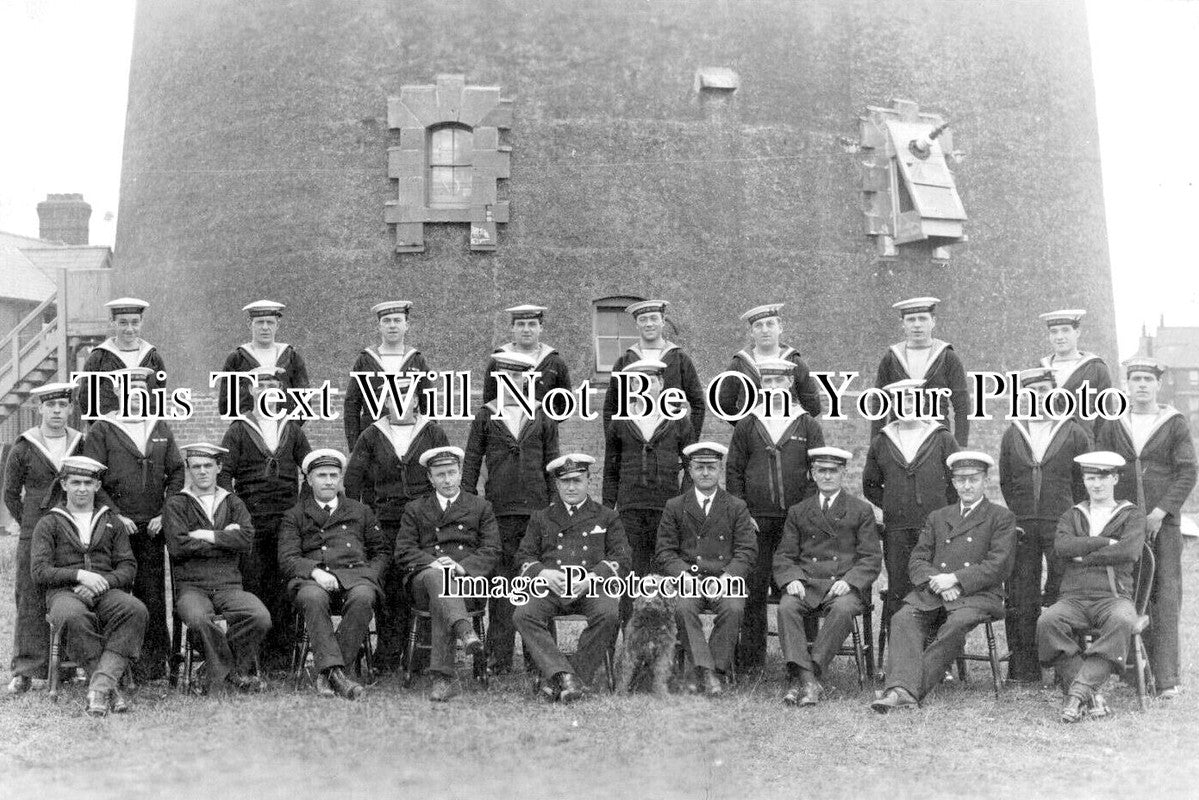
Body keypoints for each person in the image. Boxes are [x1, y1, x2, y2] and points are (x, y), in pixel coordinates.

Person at [870, 451, 1015, 712]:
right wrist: (937, 581)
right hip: (936, 591)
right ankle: (903, 689)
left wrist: (957, 581)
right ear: (954, 483)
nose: (967, 486)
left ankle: (905, 689)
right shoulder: (938, 516)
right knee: (902, 618)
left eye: (973, 479)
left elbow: (998, 565)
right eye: (961, 480)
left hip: (978, 594)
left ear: (985, 481)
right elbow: (917, 559)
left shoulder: (1000, 517)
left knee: (956, 624)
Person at [1096, 357, 1197, 698]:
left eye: (1147, 379)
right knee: (1128, 593)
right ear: (1127, 384)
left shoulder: (1174, 423)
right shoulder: (1113, 424)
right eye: (1135, 379)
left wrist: (1161, 511)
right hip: (1125, 524)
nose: (1141, 385)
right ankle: (1130, 673)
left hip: (1163, 525)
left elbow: (1187, 472)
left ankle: (1166, 679)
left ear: (1158, 384)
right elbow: (1101, 468)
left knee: (1164, 596)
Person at [82, 367, 185, 681]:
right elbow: (92, 476)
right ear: (118, 394)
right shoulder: (102, 429)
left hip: (152, 528)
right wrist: (115, 515)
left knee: (151, 593)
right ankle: (116, 665)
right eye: (130, 393)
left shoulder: (160, 427)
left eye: (141, 393)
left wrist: (164, 514)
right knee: (117, 593)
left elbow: (177, 473)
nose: (136, 399)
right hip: (116, 527)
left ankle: (151, 666)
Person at [462, 351, 560, 673]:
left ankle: (540, 660)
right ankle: (498, 658)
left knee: (536, 583)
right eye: (506, 377)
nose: (512, 382)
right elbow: (473, 461)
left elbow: (551, 466)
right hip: (499, 513)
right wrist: (469, 503)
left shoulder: (542, 416)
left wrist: (553, 510)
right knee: (502, 586)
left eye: (519, 377)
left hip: (536, 513)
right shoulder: (485, 416)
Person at [725, 356, 824, 671]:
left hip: (796, 525)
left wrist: (805, 513)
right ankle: (752, 660)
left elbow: (818, 471)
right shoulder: (748, 423)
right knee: (753, 589)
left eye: (778, 380)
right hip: (757, 523)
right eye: (766, 381)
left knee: (799, 588)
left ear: (790, 383)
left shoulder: (806, 423)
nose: (772, 387)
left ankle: (803, 659)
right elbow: (734, 471)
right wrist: (743, 512)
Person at [31, 456, 147, 716]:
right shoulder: (49, 522)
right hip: (65, 593)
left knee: (135, 609)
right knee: (74, 616)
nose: (82, 488)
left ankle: (99, 687)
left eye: (88, 483)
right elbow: (39, 572)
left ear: (97, 486)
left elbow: (128, 566)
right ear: (64, 484)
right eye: (75, 482)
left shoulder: (110, 521)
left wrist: (101, 582)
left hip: (105, 591)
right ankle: (107, 688)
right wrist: (79, 576)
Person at [344, 387, 449, 670]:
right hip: (386, 522)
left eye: (407, 396)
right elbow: (353, 481)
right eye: (393, 396)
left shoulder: (433, 432)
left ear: (416, 400)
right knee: (389, 588)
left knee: (424, 582)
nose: (401, 402)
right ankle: (388, 656)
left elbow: (444, 475)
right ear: (386, 401)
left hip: (424, 524)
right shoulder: (371, 434)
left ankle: (421, 658)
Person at [998, 367, 1091, 683]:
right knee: (1022, 593)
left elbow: (1082, 483)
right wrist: (1021, 513)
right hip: (1024, 526)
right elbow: (1006, 480)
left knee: (1063, 590)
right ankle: (1024, 668)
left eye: (1044, 390)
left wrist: (1070, 515)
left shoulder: (1074, 432)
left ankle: (1066, 666)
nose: (1039, 396)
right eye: (1032, 391)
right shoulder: (1014, 432)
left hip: (1061, 524)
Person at [1037, 452, 1146, 722]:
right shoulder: (1072, 514)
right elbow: (1062, 547)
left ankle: (1076, 695)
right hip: (1073, 597)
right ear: (1084, 480)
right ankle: (1091, 694)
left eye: (1103, 478)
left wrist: (1083, 553)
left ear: (1115, 479)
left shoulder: (1131, 514)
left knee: (1122, 620)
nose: (1096, 484)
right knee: (1047, 621)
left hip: (1113, 596)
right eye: (1090, 478)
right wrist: (1106, 543)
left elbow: (1130, 551)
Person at [513, 454, 630, 702]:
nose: (571, 487)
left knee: (609, 614)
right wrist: (543, 573)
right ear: (557, 484)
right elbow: (523, 556)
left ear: (589, 480)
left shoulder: (606, 516)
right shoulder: (542, 517)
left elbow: (622, 556)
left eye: (577, 480)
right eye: (565, 481)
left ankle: (574, 676)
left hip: (591, 587)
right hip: (552, 588)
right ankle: (563, 675)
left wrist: (592, 577)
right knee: (524, 614)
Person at [218, 367, 312, 667]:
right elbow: (224, 477)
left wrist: (303, 510)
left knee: (284, 585)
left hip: (286, 522)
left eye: (274, 387)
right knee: (253, 584)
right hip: (252, 522)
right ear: (252, 392)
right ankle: (251, 656)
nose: (268, 392)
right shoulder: (238, 429)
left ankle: (281, 657)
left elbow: (310, 468)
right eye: (262, 387)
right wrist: (236, 513)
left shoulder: (293, 429)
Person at [774, 446, 881, 706]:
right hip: (808, 584)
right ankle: (809, 681)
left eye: (833, 471)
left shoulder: (860, 510)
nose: (828, 476)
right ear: (813, 473)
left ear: (843, 473)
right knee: (786, 606)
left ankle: (807, 675)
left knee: (843, 610)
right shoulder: (799, 510)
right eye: (822, 471)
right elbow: (784, 555)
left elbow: (871, 558)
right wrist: (792, 580)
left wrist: (850, 581)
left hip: (843, 586)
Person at [278, 449, 389, 700]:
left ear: (340, 479)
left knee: (364, 597)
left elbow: (381, 551)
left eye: (333, 475)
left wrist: (369, 575)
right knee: (313, 598)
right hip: (313, 579)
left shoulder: (360, 510)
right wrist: (315, 572)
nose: (328, 481)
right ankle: (338, 675)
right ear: (308, 480)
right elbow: (287, 557)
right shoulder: (295, 515)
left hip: (355, 577)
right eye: (321, 475)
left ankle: (328, 673)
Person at [394, 446, 501, 701]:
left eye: (452, 473)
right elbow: (403, 550)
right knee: (437, 579)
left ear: (460, 473)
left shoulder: (479, 506)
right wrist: (433, 563)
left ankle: (443, 679)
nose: (447, 480)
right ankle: (466, 632)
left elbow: (492, 549)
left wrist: (461, 567)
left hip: (467, 582)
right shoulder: (416, 509)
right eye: (440, 475)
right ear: (430, 478)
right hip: (424, 580)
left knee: (442, 593)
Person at [163, 443, 270, 694]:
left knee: (259, 616)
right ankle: (230, 672)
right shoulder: (177, 504)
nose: (202, 471)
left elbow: (245, 540)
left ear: (219, 467)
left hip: (228, 585)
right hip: (192, 587)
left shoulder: (232, 502)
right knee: (199, 619)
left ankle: (212, 670)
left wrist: (206, 536)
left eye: (208, 466)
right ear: (189, 470)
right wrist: (224, 538)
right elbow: (178, 546)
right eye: (196, 467)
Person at [5, 383, 88, 693]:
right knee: (29, 596)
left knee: (69, 594)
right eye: (50, 406)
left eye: (62, 406)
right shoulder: (24, 446)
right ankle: (25, 669)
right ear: (39, 408)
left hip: (70, 530)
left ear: (69, 409)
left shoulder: (80, 444)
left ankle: (70, 664)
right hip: (33, 531)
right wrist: (31, 524)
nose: (56, 411)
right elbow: (11, 494)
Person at [656, 442, 757, 695]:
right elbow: (665, 551)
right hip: (690, 579)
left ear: (719, 470)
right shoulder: (675, 505)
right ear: (689, 471)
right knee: (683, 607)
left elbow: (747, 550)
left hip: (724, 578)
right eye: (699, 467)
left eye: (711, 467)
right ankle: (708, 672)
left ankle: (715, 669)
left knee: (734, 608)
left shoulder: (736, 506)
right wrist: (684, 575)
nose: (705, 473)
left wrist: (728, 577)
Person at [862, 379, 959, 640]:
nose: (908, 405)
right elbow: (870, 485)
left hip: (935, 528)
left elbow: (956, 483)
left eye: (913, 399)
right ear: (893, 404)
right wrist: (895, 504)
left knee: (935, 584)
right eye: (902, 400)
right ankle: (901, 653)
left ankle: (935, 652)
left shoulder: (942, 437)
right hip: (897, 529)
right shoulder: (883, 440)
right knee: (900, 588)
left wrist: (941, 512)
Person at [602, 357, 694, 588]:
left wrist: (684, 502)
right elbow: (611, 469)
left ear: (661, 383)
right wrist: (606, 508)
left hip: (666, 506)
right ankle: (630, 622)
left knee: (665, 568)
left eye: (650, 380)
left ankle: (666, 624)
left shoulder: (678, 419)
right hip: (630, 508)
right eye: (636, 382)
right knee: (631, 570)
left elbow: (690, 464)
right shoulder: (620, 421)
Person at [871, 297, 970, 445]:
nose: (917, 325)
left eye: (923, 319)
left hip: (937, 438)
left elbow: (961, 403)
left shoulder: (947, 356)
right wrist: (876, 443)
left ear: (933, 321)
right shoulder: (892, 357)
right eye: (911, 320)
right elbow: (879, 402)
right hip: (899, 438)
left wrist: (959, 445)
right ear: (902, 324)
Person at [601, 300, 707, 436]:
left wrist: (689, 443)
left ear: (663, 321)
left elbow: (698, 404)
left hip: (669, 441)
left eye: (654, 318)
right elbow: (610, 407)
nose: (649, 324)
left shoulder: (679, 358)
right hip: (633, 439)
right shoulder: (625, 361)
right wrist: (615, 445)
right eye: (643, 319)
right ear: (636, 325)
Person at [343, 300, 432, 450]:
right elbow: (352, 405)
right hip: (373, 439)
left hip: (409, 438)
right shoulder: (365, 359)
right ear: (379, 327)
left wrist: (428, 442)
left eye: (397, 320)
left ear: (406, 325)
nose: (392, 325)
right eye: (386, 321)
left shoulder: (416, 359)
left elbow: (428, 406)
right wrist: (355, 446)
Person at [715, 303, 822, 421]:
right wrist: (745, 427)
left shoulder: (794, 361)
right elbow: (724, 404)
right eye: (758, 325)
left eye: (770, 324)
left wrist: (794, 426)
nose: (764, 330)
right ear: (751, 332)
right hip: (753, 437)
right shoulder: (739, 363)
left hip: (788, 435)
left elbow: (813, 405)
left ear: (780, 328)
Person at [217, 300, 310, 418]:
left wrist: (288, 428)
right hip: (249, 432)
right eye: (260, 322)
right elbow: (225, 405)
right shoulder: (237, 359)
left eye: (270, 322)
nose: (265, 327)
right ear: (250, 324)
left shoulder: (291, 357)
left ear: (277, 325)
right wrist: (246, 426)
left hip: (283, 432)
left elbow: (304, 402)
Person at [78, 297, 166, 418]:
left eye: (135, 322)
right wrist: (105, 425)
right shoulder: (99, 358)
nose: (129, 329)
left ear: (142, 321)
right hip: (110, 431)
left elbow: (158, 395)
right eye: (123, 323)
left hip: (143, 428)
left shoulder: (153, 358)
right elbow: (86, 399)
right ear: (112, 322)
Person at [1038, 309, 1113, 434]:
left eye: (1065, 330)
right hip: (1050, 445)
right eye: (1054, 332)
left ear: (1077, 332)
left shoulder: (1095, 367)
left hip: (1084, 446)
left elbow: (1106, 417)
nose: (1059, 337)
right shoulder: (1041, 368)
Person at [481, 304, 572, 406]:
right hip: (507, 420)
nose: (526, 330)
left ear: (541, 328)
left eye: (532, 324)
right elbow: (489, 401)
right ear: (512, 328)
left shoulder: (555, 362)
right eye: (520, 324)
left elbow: (564, 404)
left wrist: (544, 420)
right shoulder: (499, 360)